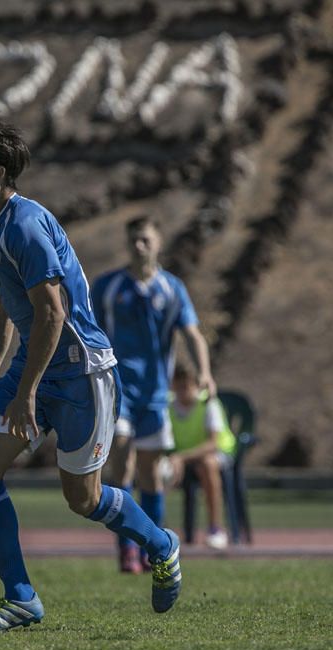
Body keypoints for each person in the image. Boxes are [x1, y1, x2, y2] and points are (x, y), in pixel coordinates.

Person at [0, 116, 182, 634]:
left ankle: (162, 544)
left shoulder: (26, 225)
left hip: (81, 374)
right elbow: (0, 308)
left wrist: (27, 392)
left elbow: (53, 315)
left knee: (84, 499)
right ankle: (21, 598)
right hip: (33, 368)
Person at [91, 217, 215, 573]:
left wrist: (204, 371)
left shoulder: (171, 289)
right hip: (117, 391)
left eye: (145, 239)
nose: (139, 246)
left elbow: (192, 333)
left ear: (159, 243)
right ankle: (126, 549)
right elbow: (87, 330)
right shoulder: (109, 286)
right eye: (133, 240)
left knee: (150, 475)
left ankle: (151, 548)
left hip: (156, 395)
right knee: (123, 465)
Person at [168, 363, 235, 550]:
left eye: (186, 386)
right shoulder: (168, 406)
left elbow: (213, 443)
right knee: (156, 469)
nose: (182, 391)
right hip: (182, 457)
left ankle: (215, 529)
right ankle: (156, 529)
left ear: (196, 386)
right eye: (178, 386)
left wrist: (181, 457)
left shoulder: (208, 404)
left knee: (207, 465)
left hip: (217, 454)